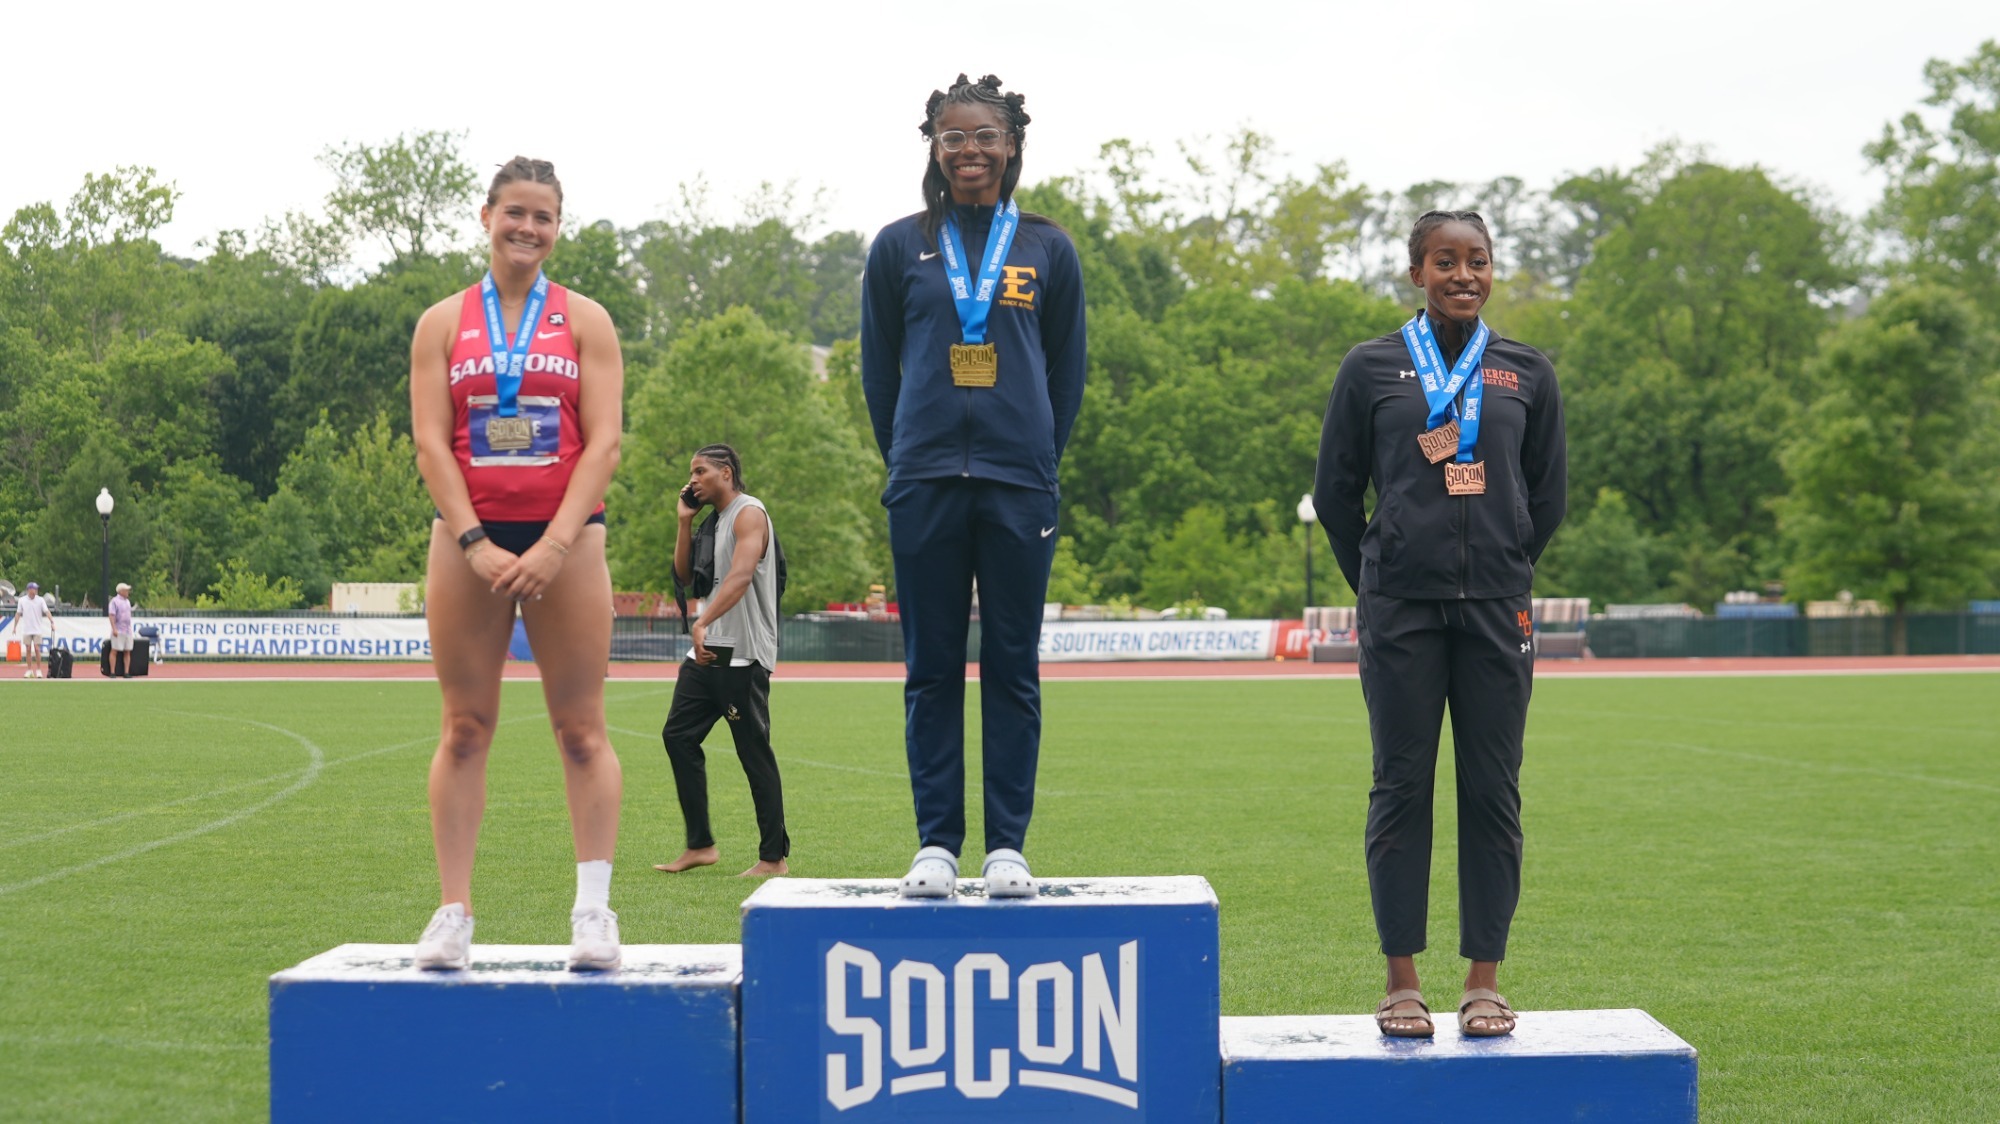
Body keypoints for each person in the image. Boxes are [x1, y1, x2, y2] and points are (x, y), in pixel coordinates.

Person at [1313, 210, 1567, 1039]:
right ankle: (1401, 981)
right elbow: (1337, 493)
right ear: (1416, 272)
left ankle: (1484, 980)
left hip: (1497, 609)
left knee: (1493, 792)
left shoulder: (1526, 371)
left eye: (1478, 262)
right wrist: (1381, 578)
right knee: (1401, 787)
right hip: (1403, 612)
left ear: (1493, 272)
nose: (1464, 275)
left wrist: (1506, 565)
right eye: (1446, 261)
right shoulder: (1373, 368)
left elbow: (1547, 495)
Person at [859, 74, 1087, 900]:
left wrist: (1033, 455)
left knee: (1012, 666)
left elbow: (1069, 372)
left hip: (1019, 483)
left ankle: (1007, 849)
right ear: (934, 145)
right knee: (929, 668)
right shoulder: (896, 247)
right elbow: (877, 371)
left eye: (985, 137)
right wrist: (909, 453)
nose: (969, 151)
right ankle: (936, 844)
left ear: (1012, 146)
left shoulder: (1048, 249)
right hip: (924, 479)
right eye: (953, 137)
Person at [407, 157, 626, 971]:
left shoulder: (585, 321)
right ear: (487, 215)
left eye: (543, 216)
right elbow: (433, 441)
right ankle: (453, 911)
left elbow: (603, 440)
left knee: (580, 729)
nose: (527, 228)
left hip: (567, 539)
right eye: (515, 213)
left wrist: (556, 545)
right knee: (465, 728)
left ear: (558, 227)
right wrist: (474, 542)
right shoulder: (441, 323)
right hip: (470, 542)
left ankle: (594, 910)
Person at [652, 444, 790, 879]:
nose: (692, 480)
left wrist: (702, 619)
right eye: (691, 473)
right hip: (708, 650)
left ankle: (773, 859)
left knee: (753, 753)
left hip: (743, 653)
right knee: (677, 736)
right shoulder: (712, 522)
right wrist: (683, 521)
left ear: (726, 473)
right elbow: (686, 575)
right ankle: (700, 845)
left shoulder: (750, 513)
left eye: (700, 471)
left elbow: (741, 576)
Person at [17, 581, 50, 679]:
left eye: (36, 589)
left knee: (37, 648)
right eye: (34, 589)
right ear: (29, 590)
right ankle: (29, 669)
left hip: (37, 629)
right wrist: (15, 626)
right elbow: (18, 613)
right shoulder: (22, 600)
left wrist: (52, 621)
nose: (36, 591)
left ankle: (39, 669)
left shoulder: (40, 600)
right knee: (28, 649)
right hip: (27, 629)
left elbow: (46, 611)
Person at [107, 582, 135, 677]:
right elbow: (111, 615)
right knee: (114, 650)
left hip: (127, 630)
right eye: (126, 590)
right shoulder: (114, 601)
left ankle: (126, 672)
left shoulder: (127, 602)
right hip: (118, 630)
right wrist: (114, 628)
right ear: (121, 591)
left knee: (127, 651)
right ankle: (112, 672)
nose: (128, 592)